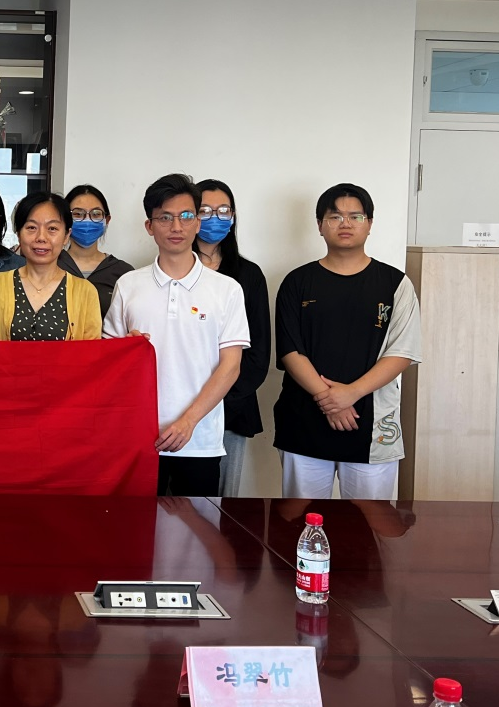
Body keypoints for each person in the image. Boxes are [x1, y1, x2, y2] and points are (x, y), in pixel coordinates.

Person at [103, 173, 250, 496]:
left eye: (185, 216)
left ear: (197, 222)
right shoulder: (129, 285)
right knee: (137, 524)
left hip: (199, 440)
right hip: (138, 439)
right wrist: (126, 349)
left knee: (197, 526)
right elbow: (108, 362)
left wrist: (188, 422)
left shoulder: (226, 289)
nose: (176, 227)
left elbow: (231, 367)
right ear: (149, 226)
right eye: (165, 218)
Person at [273, 183, 422, 500]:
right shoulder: (297, 282)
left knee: (369, 525)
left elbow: (402, 352)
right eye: (335, 216)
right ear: (319, 225)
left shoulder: (395, 283)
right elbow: (290, 350)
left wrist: (350, 394)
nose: (346, 223)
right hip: (304, 423)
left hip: (372, 425)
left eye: (356, 216)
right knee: (302, 523)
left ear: (369, 224)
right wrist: (328, 399)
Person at [194, 179, 271, 498]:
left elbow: (258, 352)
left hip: (232, 407)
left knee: (224, 502)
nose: (215, 217)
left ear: (234, 216)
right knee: (176, 503)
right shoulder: (173, 272)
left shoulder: (249, 275)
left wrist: (221, 396)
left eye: (223, 210)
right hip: (179, 405)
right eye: (205, 210)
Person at [0, 192, 102, 341]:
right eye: (32, 227)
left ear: (66, 235)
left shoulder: (86, 292)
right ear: (18, 234)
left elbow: (91, 352)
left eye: (52, 229)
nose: (41, 238)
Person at [58, 183, 133, 317]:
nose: (87, 220)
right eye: (78, 214)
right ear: (65, 219)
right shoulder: (51, 266)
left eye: (96, 214)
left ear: (107, 220)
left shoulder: (123, 273)